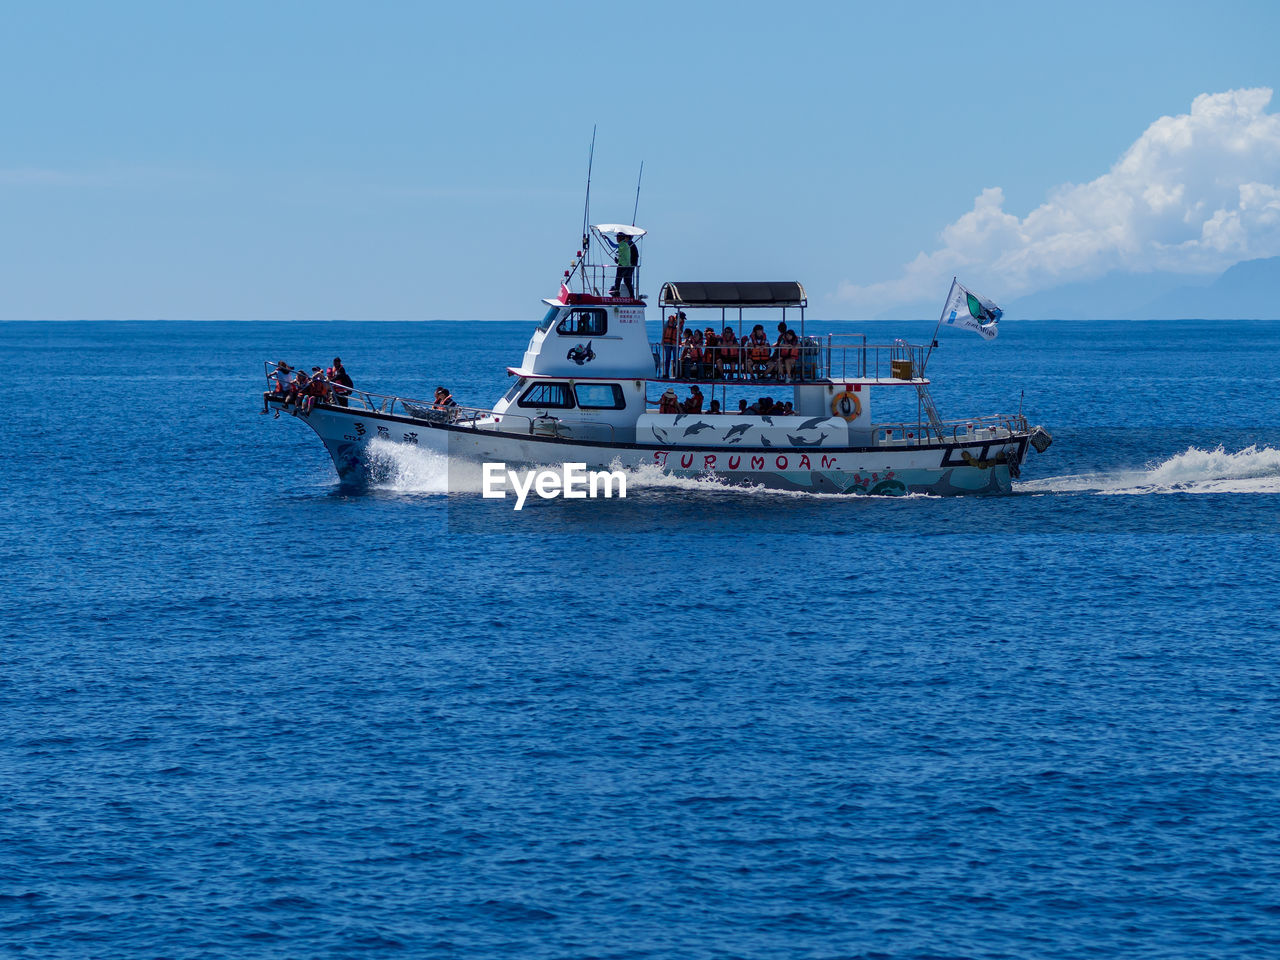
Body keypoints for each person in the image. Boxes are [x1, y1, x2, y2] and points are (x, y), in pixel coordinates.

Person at [610, 230, 637, 298]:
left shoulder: (624, 244)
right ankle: (631, 296)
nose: (616, 239)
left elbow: (613, 245)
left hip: (625, 266)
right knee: (627, 281)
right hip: (628, 265)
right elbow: (624, 256)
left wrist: (607, 239)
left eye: (618, 237)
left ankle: (617, 294)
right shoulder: (627, 244)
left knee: (618, 280)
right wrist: (618, 260)